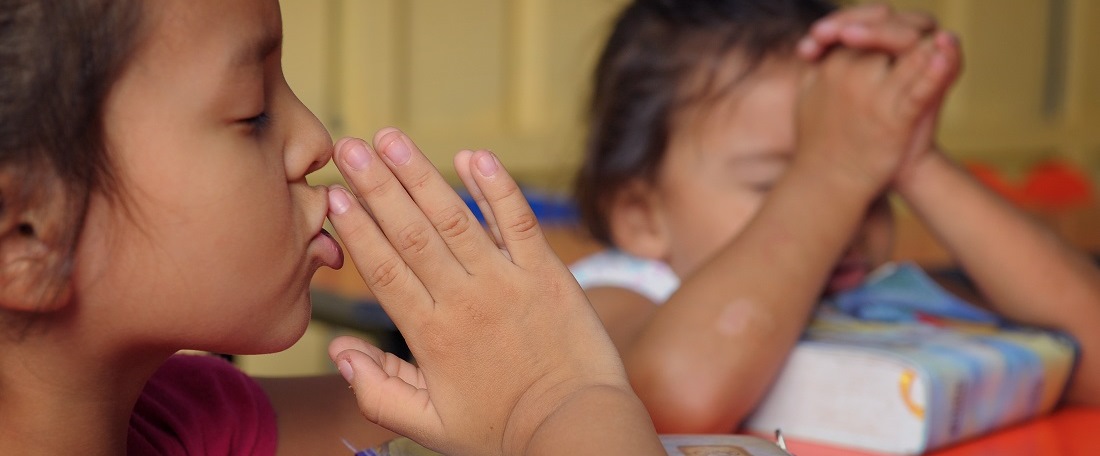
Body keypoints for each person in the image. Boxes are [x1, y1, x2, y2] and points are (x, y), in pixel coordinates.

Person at [0, 0, 664, 454]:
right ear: (24, 237)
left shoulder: (184, 420)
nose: (317, 140)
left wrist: (533, 382)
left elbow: (462, 404)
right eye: (252, 113)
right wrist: (570, 401)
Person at [569, 0, 1100, 434]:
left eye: (873, 187)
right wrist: (838, 170)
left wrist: (912, 156)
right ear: (643, 217)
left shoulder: (873, 299)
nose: (839, 219)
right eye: (777, 187)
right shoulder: (614, 298)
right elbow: (674, 397)